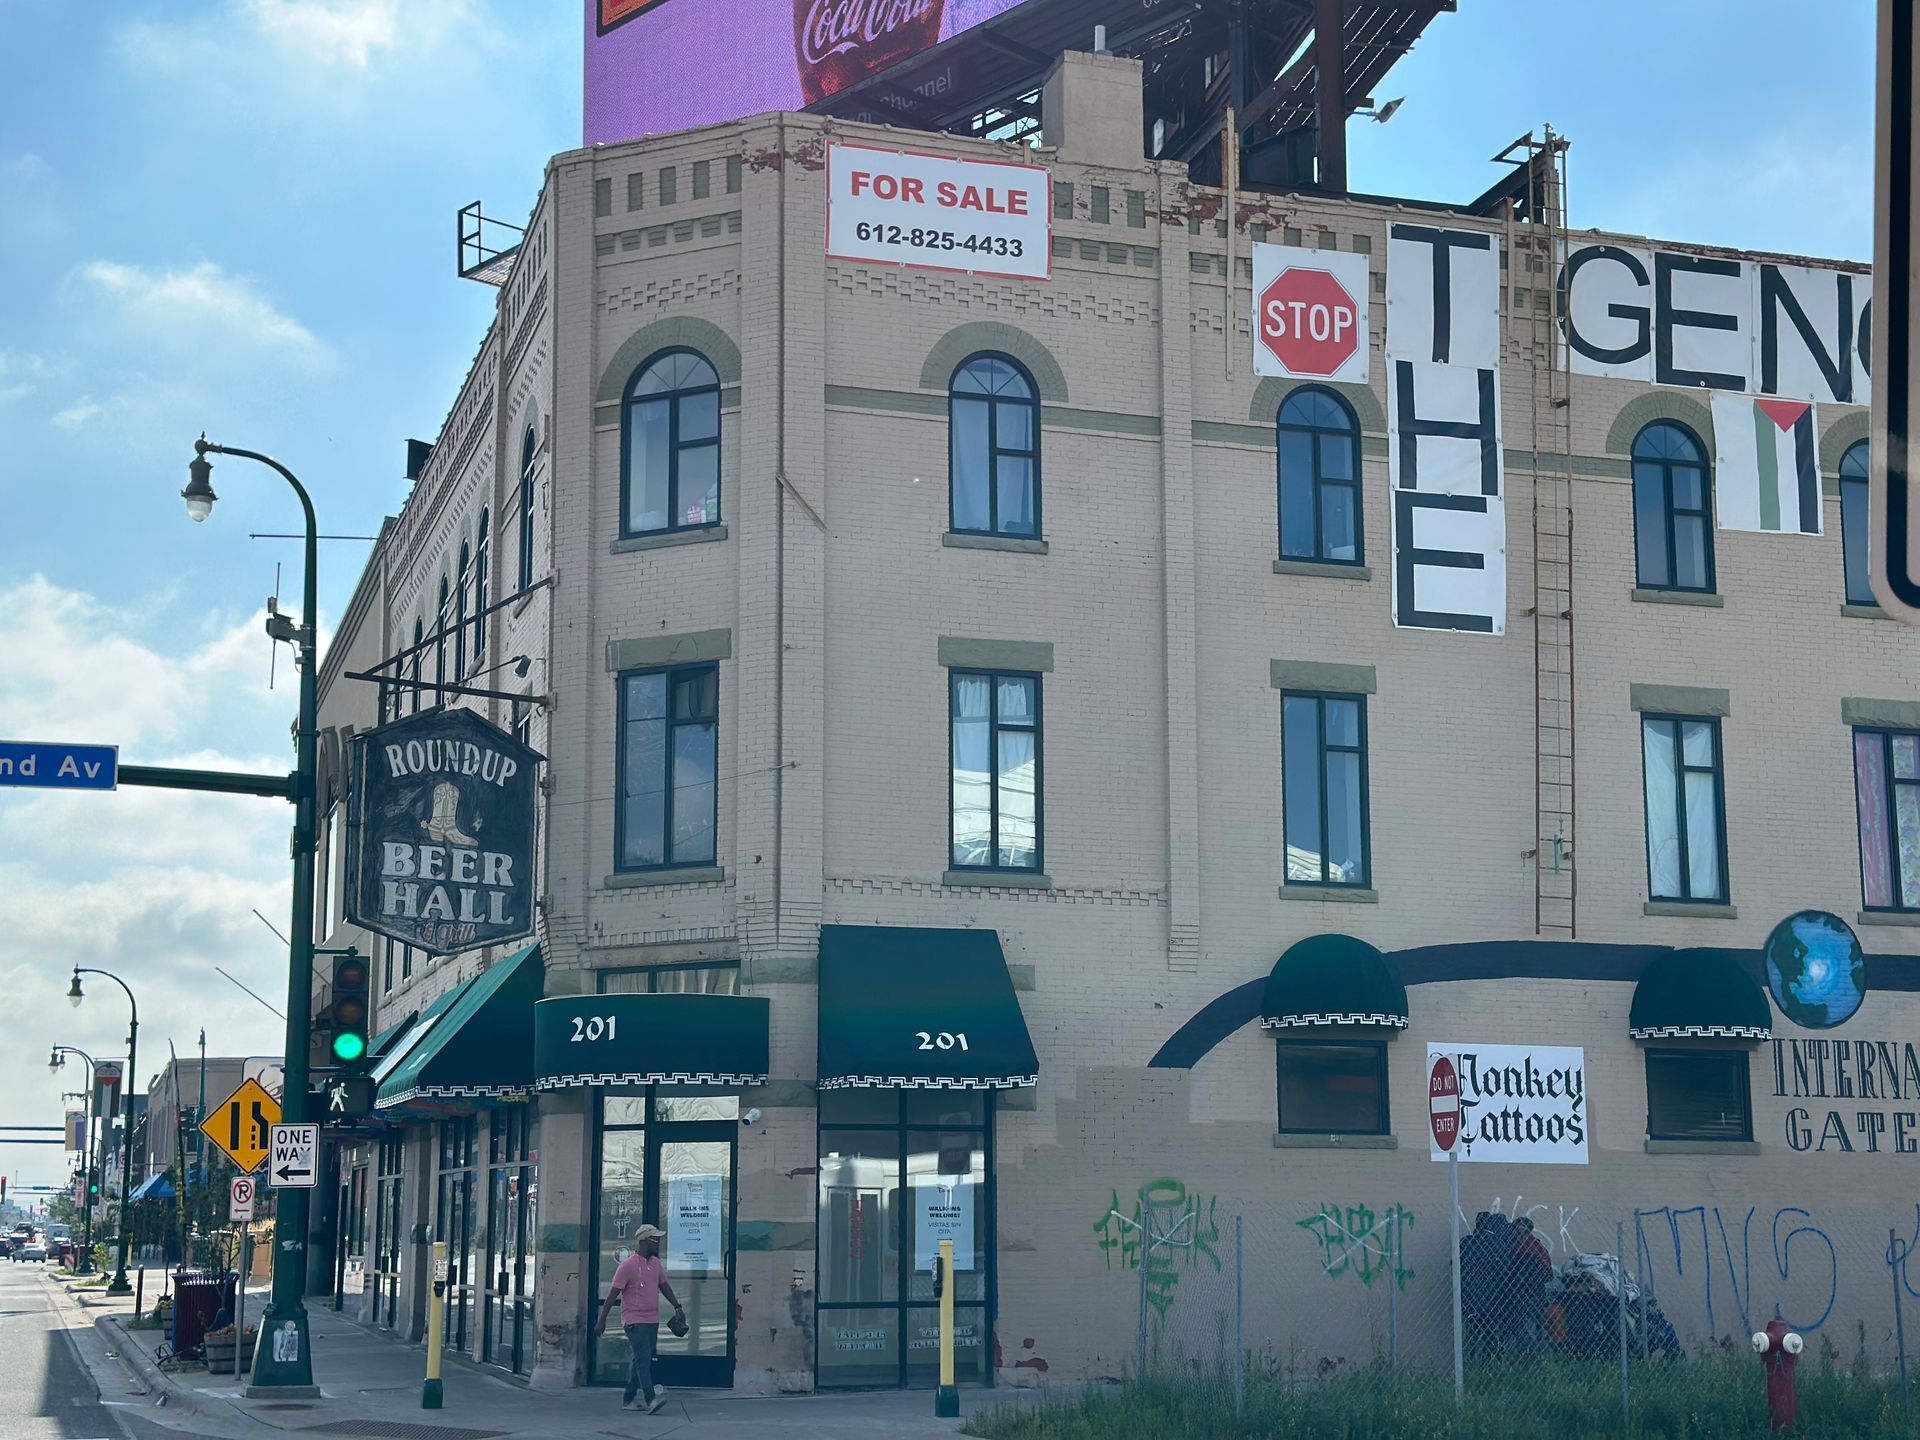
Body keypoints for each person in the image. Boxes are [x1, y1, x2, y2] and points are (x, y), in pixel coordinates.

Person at [594, 1224, 685, 1413]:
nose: (658, 1242)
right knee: (644, 1359)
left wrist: (678, 1306)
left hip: (652, 1319)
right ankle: (651, 1398)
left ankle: (628, 1399)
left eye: (659, 1239)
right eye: (655, 1239)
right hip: (634, 1320)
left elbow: (664, 1286)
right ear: (644, 1241)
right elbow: (612, 1295)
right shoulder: (627, 1266)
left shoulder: (656, 1264)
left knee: (640, 1359)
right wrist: (601, 1320)